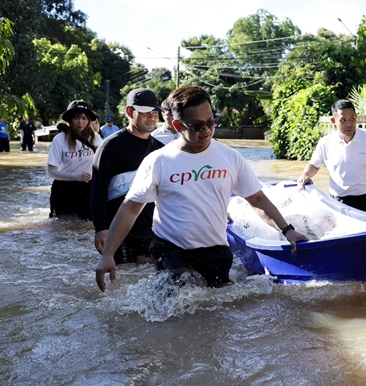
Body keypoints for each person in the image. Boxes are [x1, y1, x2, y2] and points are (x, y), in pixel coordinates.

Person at [95, 85, 307, 292]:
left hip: (215, 250)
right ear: (177, 127)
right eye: (197, 126)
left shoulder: (230, 158)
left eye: (210, 122)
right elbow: (131, 208)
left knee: (219, 307)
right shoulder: (158, 161)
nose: (206, 130)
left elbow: (257, 199)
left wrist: (288, 231)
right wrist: (108, 255)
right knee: (178, 296)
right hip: (170, 248)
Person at [297, 100, 366, 220]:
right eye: (343, 120)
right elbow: (314, 165)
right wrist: (305, 175)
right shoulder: (326, 143)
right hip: (337, 201)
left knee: (365, 235)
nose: (349, 124)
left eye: (352, 118)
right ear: (333, 121)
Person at [91, 88, 165, 265]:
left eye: (155, 112)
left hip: (152, 229)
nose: (152, 117)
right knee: (123, 280)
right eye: (146, 112)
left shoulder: (160, 149)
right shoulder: (110, 146)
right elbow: (97, 189)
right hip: (119, 229)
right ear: (130, 112)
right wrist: (101, 228)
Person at [46, 100, 102, 220]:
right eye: (76, 118)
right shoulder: (59, 139)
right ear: (70, 120)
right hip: (63, 190)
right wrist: (75, 176)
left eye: (84, 118)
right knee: (63, 228)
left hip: (88, 189)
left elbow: (103, 164)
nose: (80, 122)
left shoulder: (95, 138)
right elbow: (50, 172)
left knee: (86, 228)